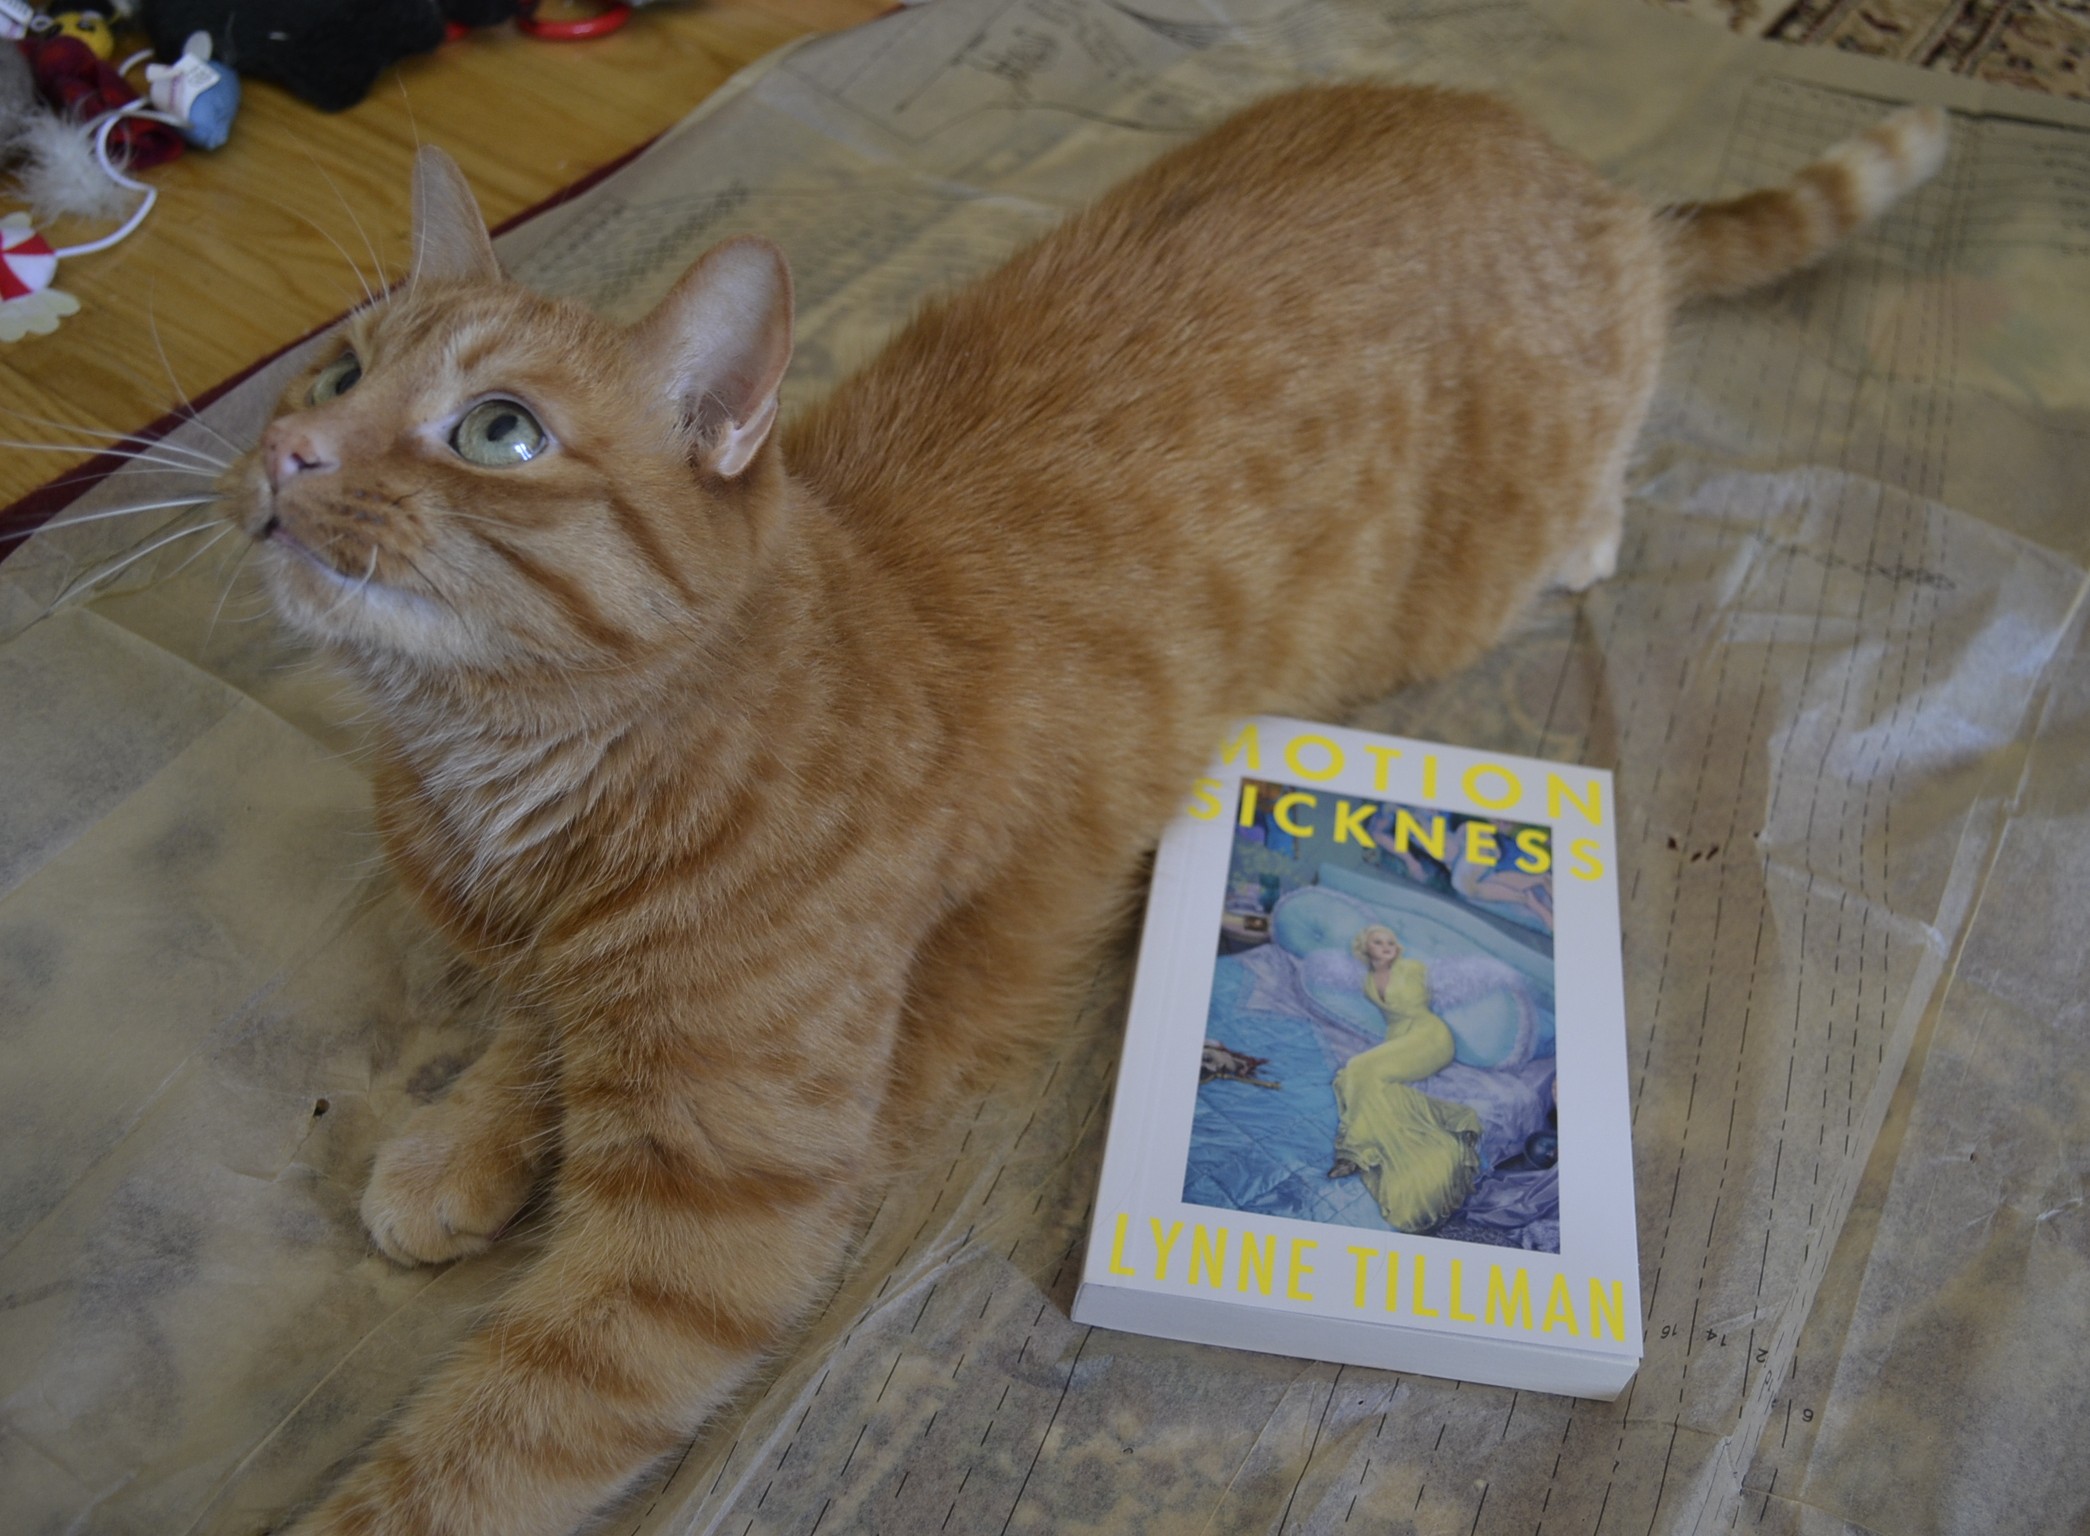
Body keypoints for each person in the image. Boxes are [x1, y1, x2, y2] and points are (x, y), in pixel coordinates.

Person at [1328, 925, 1483, 1231]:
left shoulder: (1411, 969)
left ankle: (1355, 1151)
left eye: (1390, 942)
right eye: (1378, 942)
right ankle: (1362, 1149)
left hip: (1430, 1037)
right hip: (1401, 1039)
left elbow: (1415, 1002)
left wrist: (1402, 967)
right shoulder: (1368, 981)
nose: (1386, 946)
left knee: (1359, 1069)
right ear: (1365, 948)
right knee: (1354, 1075)